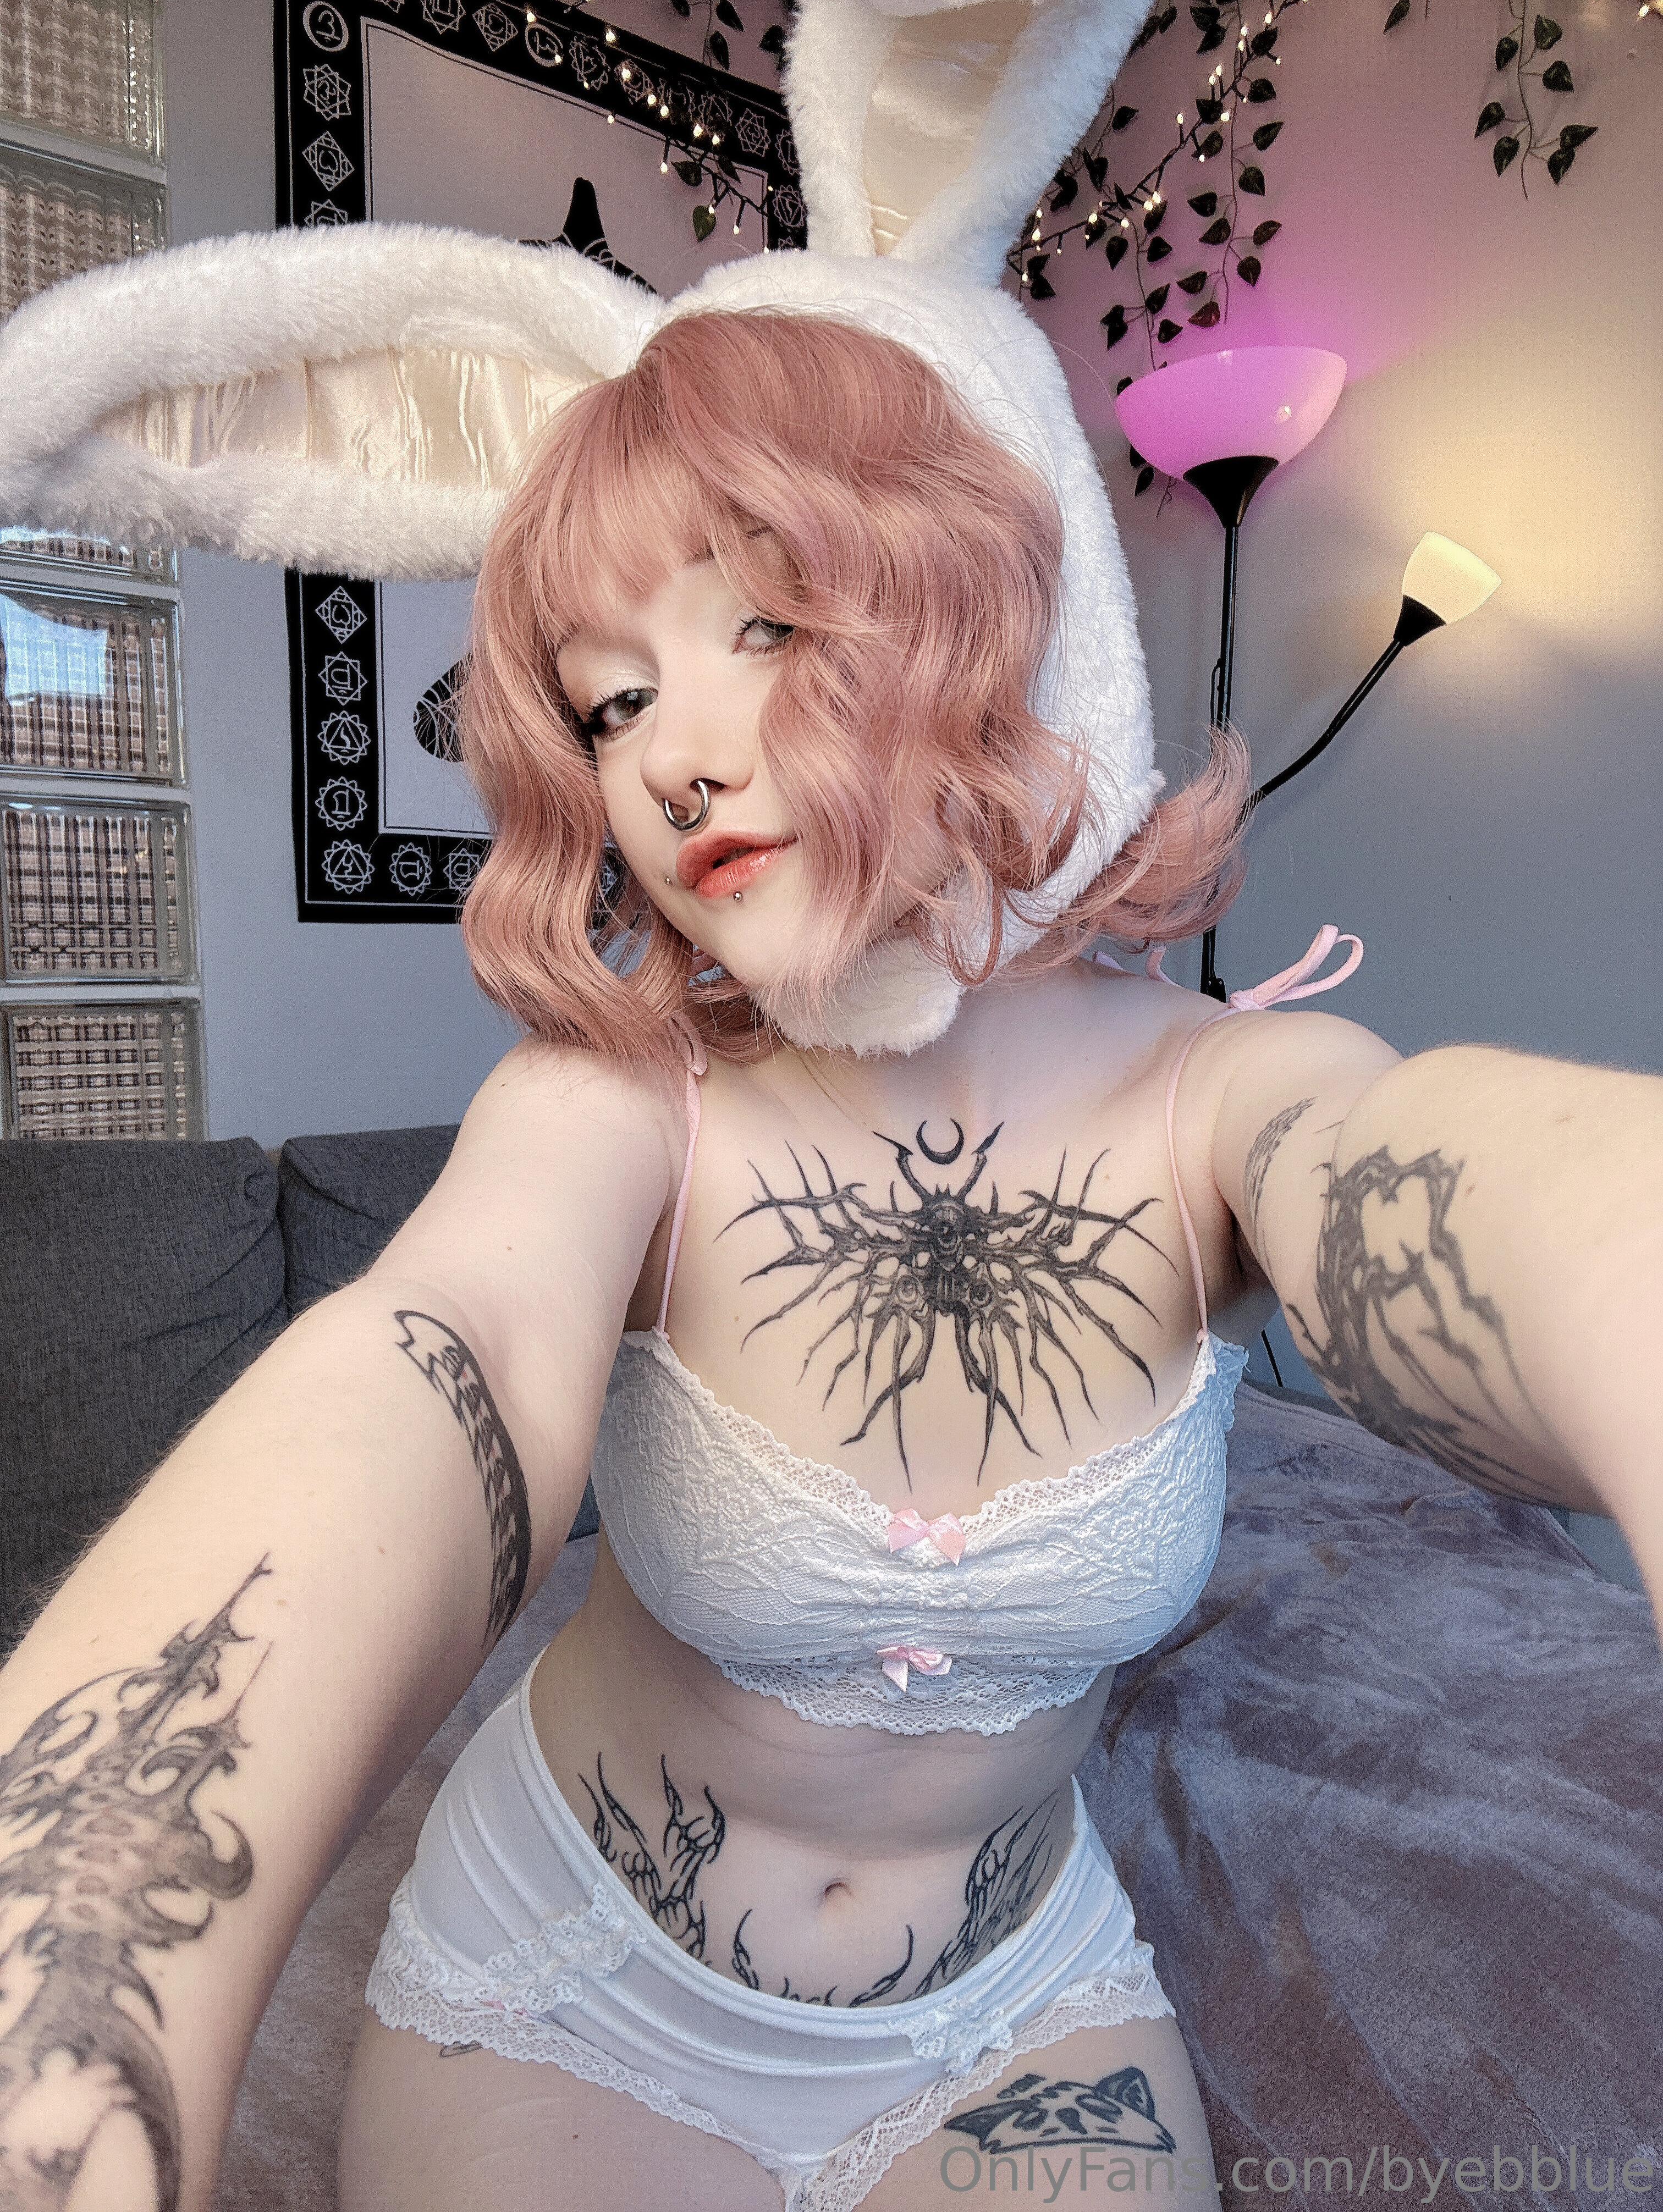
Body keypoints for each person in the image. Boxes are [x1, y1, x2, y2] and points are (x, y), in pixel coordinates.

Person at [0, 301, 1655, 2212]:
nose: (674, 765)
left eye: (762, 625)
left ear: (982, 604)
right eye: (613, 705)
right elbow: (440, 1352)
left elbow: (1457, 1198)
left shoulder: (1229, 1096)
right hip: (573, 1997)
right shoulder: (618, 1105)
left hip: (1018, 2018)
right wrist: (63, 2016)